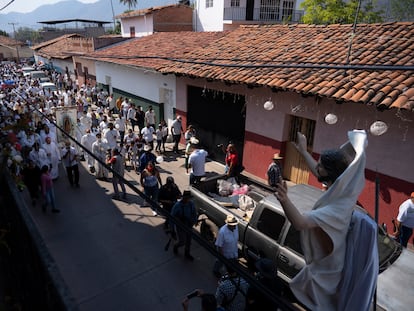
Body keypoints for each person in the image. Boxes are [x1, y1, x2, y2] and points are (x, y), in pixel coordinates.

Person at [274, 130, 373, 311]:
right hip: (329, 259)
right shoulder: (344, 188)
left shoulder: (335, 208)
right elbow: (319, 172)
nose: (316, 167)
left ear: (332, 172)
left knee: (324, 304)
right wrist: (303, 152)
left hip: (329, 269)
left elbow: (300, 223)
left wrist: (284, 199)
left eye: (320, 165)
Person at [171, 190, 198, 261]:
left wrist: (194, 221)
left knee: (189, 241)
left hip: (189, 225)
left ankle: (187, 253)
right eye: (187, 198)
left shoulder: (191, 204)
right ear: (183, 197)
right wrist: (172, 229)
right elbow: (172, 217)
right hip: (180, 226)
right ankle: (176, 246)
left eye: (189, 198)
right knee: (182, 241)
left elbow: (194, 213)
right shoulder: (177, 206)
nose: (188, 199)